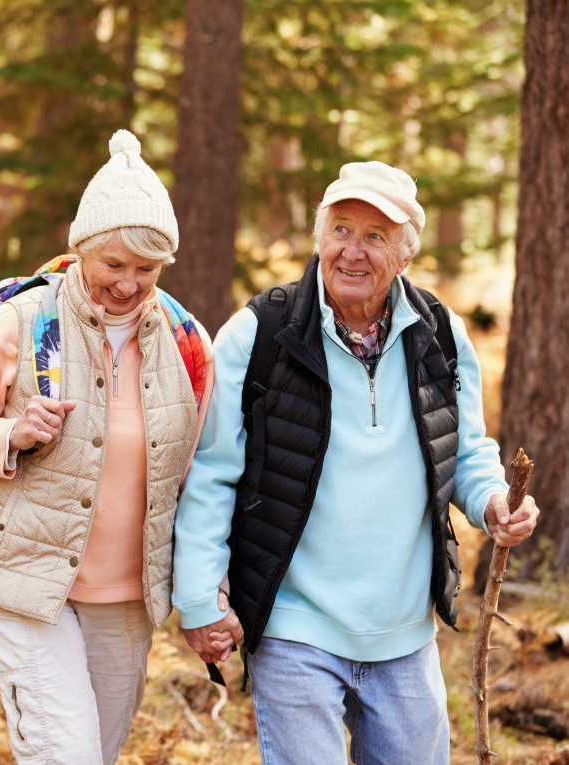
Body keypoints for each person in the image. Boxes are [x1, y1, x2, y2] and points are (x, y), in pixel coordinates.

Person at [172, 161, 540, 764]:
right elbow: (212, 473)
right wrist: (197, 598)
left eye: (375, 236)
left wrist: (494, 502)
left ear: (405, 254)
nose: (353, 251)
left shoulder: (440, 335)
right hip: (294, 626)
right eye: (341, 229)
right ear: (319, 239)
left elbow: (466, 449)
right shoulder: (258, 332)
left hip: (405, 634)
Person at [0, 130, 224, 765]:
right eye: (113, 265)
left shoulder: (187, 344)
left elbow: (200, 479)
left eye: (146, 269)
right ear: (80, 250)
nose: (128, 284)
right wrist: (10, 434)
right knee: (67, 756)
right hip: (24, 581)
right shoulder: (20, 323)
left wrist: (207, 587)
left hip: (129, 598)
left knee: (97, 755)